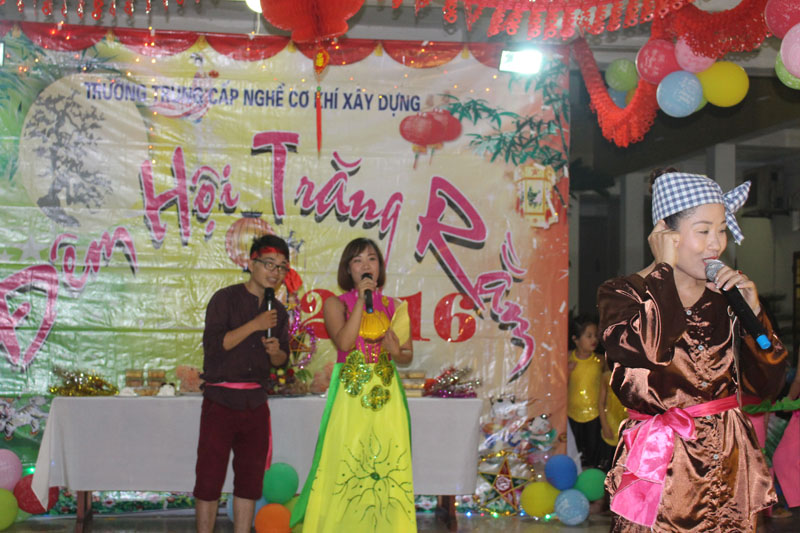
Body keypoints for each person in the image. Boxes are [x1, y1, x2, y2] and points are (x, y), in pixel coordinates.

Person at [597, 170, 788, 532]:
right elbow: (649, 350)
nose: (716, 244)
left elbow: (767, 384)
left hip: (729, 460)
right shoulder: (622, 294)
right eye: (703, 231)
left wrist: (755, 316)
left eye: (722, 230)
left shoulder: (728, 297)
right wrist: (663, 272)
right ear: (664, 235)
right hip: (662, 465)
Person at [291, 237, 416, 533]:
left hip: (387, 394)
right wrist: (361, 300)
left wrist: (396, 351)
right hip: (350, 391)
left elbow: (407, 355)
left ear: (379, 267)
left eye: (371, 259)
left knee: (386, 461)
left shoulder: (396, 307)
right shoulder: (335, 304)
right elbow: (345, 343)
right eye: (357, 260)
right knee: (345, 458)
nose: (365, 265)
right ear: (349, 269)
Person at [193, 234, 290, 533]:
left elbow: (282, 360)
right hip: (220, 400)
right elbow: (215, 346)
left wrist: (275, 353)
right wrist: (255, 325)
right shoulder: (225, 299)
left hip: (256, 404)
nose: (275, 272)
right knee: (209, 479)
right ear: (251, 263)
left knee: (249, 481)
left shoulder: (279, 312)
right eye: (269, 264)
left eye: (282, 267)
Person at [567, 314, 606, 469]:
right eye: (588, 336)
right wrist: (567, 372)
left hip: (595, 415)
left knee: (592, 454)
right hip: (571, 414)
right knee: (574, 453)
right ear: (575, 339)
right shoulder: (567, 358)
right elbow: (557, 385)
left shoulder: (600, 360)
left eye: (595, 335)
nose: (594, 339)